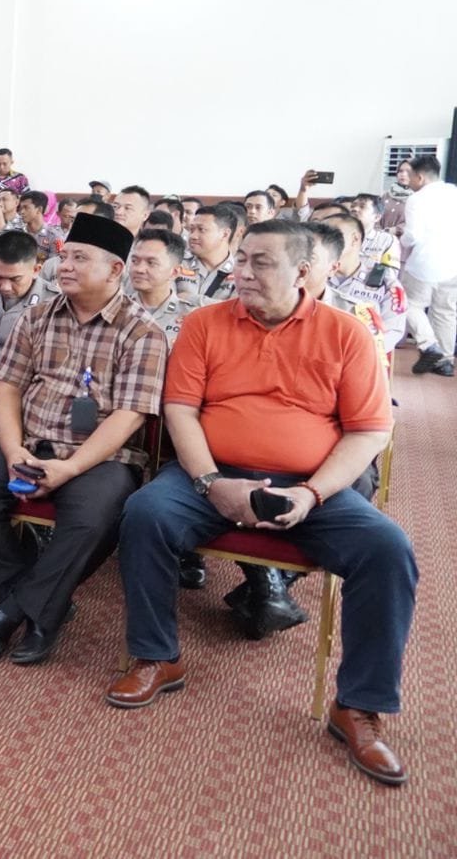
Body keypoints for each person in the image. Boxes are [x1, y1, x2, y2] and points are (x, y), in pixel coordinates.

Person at [108, 220, 414, 787]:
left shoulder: (346, 334)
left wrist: (311, 493)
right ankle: (157, 656)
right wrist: (211, 482)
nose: (242, 272)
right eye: (241, 260)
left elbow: (369, 431)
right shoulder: (204, 324)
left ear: (302, 271)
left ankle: (359, 705)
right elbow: (181, 411)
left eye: (260, 263)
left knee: (388, 549)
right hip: (212, 474)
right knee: (146, 514)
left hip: (310, 484)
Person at [0, 212, 168, 666]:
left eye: (79, 258)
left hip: (100, 457)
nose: (63, 266)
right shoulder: (37, 317)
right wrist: (13, 451)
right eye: (64, 257)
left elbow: (128, 416)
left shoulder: (143, 332)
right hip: (31, 441)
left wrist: (71, 467)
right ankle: (43, 603)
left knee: (92, 520)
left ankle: (11, 613)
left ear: (115, 270)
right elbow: (8, 390)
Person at [400, 154, 457, 376]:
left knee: (408, 303)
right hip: (453, 263)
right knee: (446, 312)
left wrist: (400, 238)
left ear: (420, 177)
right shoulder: (453, 191)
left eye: (410, 175)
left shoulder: (416, 199)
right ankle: (445, 361)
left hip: (425, 263)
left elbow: (412, 236)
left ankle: (428, 344)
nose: (408, 180)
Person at [322, 211, 406, 355]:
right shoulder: (313, 277)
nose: (323, 241)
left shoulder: (385, 282)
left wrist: (354, 354)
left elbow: (392, 332)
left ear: (355, 239)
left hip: (362, 356)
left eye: (331, 235)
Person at [127, 229, 198, 348]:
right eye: (135, 261)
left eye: (151, 263)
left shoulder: (191, 317)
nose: (139, 269)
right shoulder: (117, 310)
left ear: (174, 272)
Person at [176, 201, 243, 302]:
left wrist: (187, 298)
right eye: (191, 230)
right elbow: (167, 302)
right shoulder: (177, 262)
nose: (193, 236)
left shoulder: (240, 272)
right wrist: (221, 304)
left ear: (225, 234)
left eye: (201, 230)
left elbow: (234, 308)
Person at [16, 191, 63, 264]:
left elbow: (54, 265)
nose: (21, 212)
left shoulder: (54, 237)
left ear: (39, 209)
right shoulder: (17, 233)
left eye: (26, 207)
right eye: (20, 208)